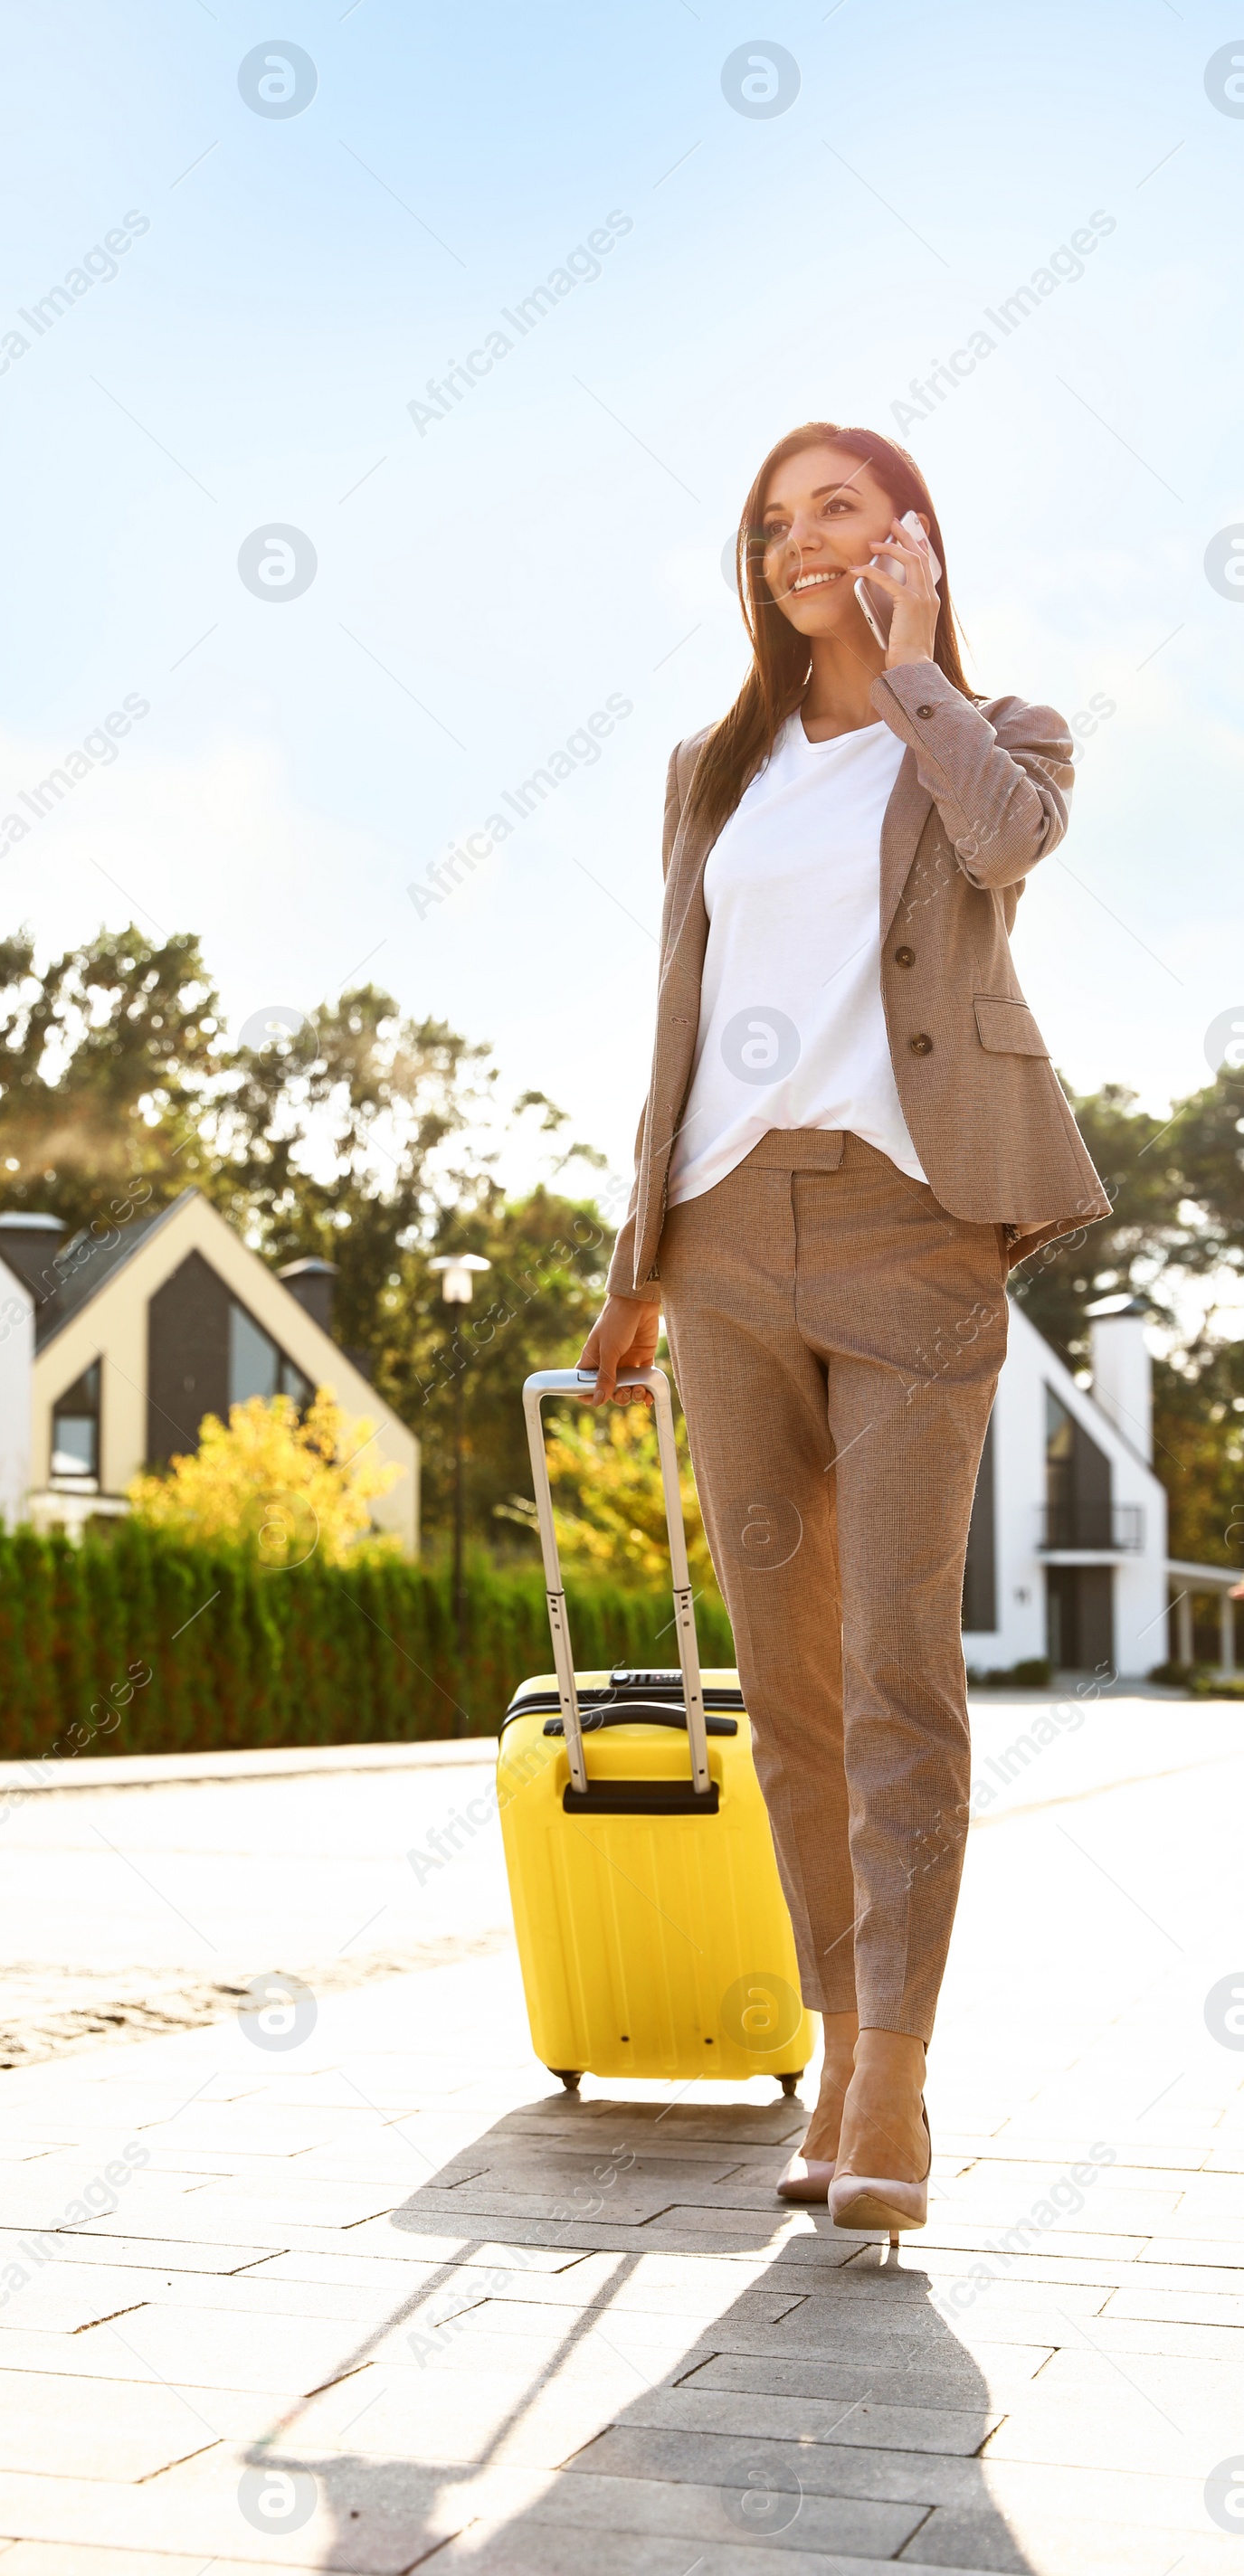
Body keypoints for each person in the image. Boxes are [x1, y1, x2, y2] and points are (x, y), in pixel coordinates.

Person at [579, 421, 1107, 2238]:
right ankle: (827, 2029)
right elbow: (676, 1008)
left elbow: (1005, 844)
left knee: (895, 1659)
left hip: (909, 1233)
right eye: (772, 521)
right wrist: (637, 1251)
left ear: (906, 532)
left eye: (836, 508)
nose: (798, 541)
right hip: (721, 1244)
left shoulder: (994, 730)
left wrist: (908, 670)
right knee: (784, 1684)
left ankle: (894, 2063)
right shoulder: (704, 768)